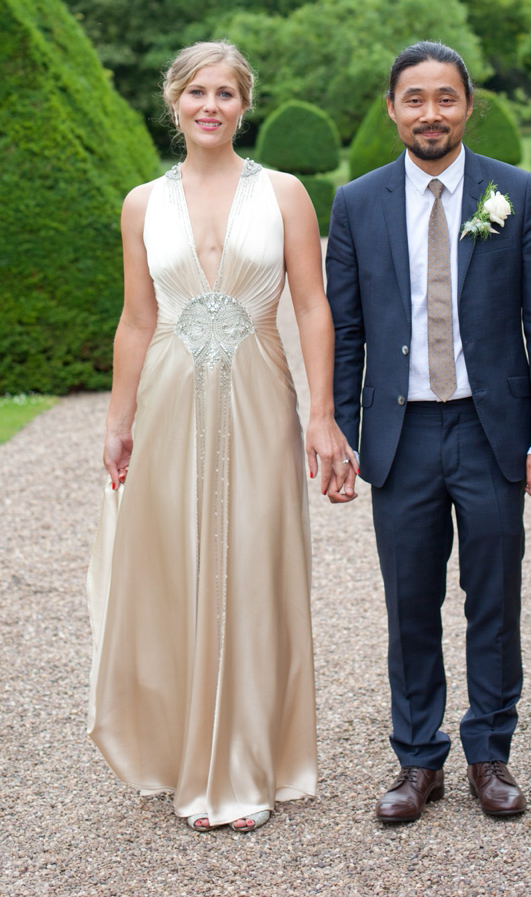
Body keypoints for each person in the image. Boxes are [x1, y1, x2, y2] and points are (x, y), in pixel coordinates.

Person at [87, 41, 355, 832]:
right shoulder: (141, 203)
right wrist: (117, 420)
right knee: (176, 568)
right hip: (169, 401)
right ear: (173, 103)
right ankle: (182, 760)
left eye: (226, 93)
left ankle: (243, 768)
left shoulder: (286, 193)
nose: (211, 105)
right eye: (197, 92)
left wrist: (321, 412)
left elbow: (313, 305)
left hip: (259, 397)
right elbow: (137, 321)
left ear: (246, 105)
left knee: (251, 566)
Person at [325, 41, 531, 824]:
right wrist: (338, 429)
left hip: (491, 429)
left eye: (446, 98)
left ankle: (490, 753)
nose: (431, 113)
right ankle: (417, 759)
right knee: (409, 602)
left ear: (469, 106)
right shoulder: (357, 203)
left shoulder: (515, 193)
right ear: (392, 108)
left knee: (494, 597)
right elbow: (347, 332)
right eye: (414, 99)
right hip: (400, 438)